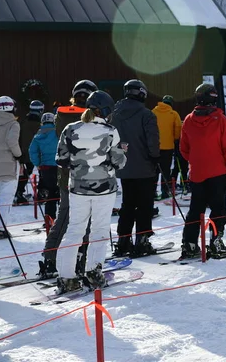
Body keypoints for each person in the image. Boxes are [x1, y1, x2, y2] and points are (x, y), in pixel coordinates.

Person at [55, 91, 126, 294]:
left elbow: (61, 159)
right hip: (104, 188)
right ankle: (93, 272)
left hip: (78, 188)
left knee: (75, 230)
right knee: (100, 230)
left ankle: (66, 276)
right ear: (104, 110)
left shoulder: (70, 129)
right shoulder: (110, 131)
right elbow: (118, 162)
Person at [40, 80, 97, 277]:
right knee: (86, 221)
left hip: (66, 174)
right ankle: (80, 259)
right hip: (89, 175)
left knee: (63, 217)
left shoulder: (62, 114)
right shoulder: (91, 117)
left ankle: (50, 258)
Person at [179, 83, 226, 258]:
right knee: (218, 209)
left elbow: (184, 148)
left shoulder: (188, 119)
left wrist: (197, 160)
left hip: (197, 173)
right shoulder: (220, 120)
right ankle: (215, 242)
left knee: (196, 209)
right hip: (217, 172)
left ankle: (189, 243)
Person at [111, 79, 160, 257]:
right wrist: (156, 157)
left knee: (128, 204)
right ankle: (142, 240)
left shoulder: (115, 114)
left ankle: (123, 241)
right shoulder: (147, 114)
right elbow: (152, 141)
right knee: (145, 205)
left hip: (124, 167)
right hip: (145, 166)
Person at [0, 96, 22, 239]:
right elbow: (12, 142)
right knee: (6, 196)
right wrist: (19, 155)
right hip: (8, 164)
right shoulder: (13, 124)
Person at [29, 113, 59, 222]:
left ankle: (49, 219)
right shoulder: (58, 133)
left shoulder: (38, 135)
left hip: (46, 167)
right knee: (62, 192)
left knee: (50, 193)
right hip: (60, 166)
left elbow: (32, 152)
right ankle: (63, 219)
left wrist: (38, 164)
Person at [14, 100, 44, 205]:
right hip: (40, 154)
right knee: (43, 174)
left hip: (25, 153)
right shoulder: (42, 123)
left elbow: (18, 137)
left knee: (24, 174)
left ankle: (19, 194)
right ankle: (42, 193)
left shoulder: (23, 122)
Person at [152, 95, 182, 200]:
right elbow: (178, 129)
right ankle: (165, 191)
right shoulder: (173, 114)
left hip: (154, 147)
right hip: (168, 147)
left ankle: (153, 192)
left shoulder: (153, 112)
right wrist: (175, 139)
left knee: (154, 170)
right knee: (165, 170)